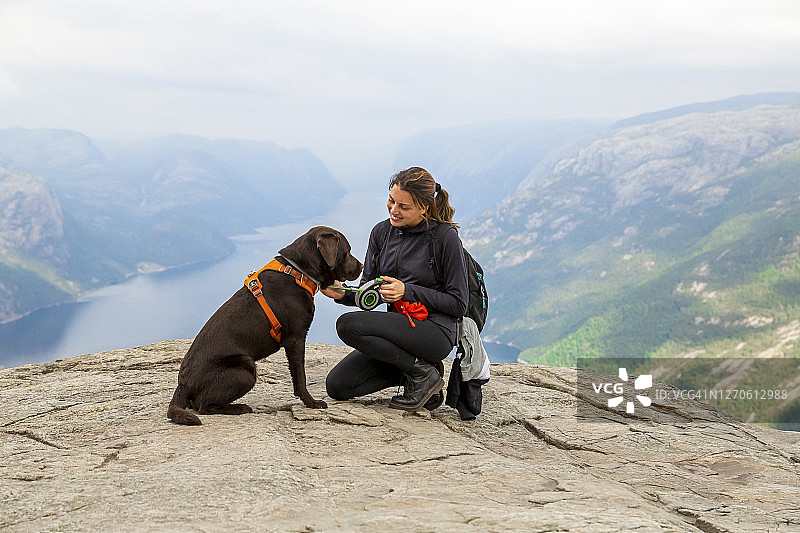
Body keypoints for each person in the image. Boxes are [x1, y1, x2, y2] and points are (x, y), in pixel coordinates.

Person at [322, 167, 469, 411]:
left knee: (347, 325)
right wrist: (343, 294)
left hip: (435, 332)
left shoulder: (445, 238)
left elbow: (458, 304)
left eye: (404, 206)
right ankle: (423, 377)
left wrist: (407, 291)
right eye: (391, 201)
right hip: (399, 334)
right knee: (338, 386)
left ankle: (422, 374)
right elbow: (369, 293)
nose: (394, 210)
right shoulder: (381, 233)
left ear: (424, 207)